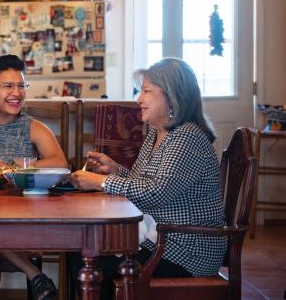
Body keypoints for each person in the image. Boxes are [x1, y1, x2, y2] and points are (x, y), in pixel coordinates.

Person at [68, 58, 227, 299]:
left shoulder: (186, 137)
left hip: (185, 250)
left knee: (88, 260)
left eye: (146, 91)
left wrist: (99, 182)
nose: (138, 100)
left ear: (171, 96)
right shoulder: (158, 131)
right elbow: (143, 182)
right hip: (161, 239)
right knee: (80, 252)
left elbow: (155, 194)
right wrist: (114, 170)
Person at [0, 54, 67, 300]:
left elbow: (61, 163)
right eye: (8, 86)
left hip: (21, 214)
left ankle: (34, 275)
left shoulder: (32, 126)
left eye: (21, 85)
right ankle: (35, 275)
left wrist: (11, 168)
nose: (17, 93)